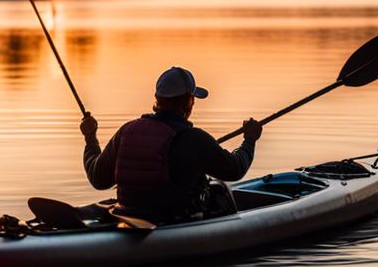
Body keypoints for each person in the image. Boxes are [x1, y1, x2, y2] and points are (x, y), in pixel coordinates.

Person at [79, 66, 262, 222]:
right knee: (219, 190)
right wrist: (249, 140)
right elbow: (235, 169)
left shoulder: (127, 131)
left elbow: (98, 178)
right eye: (193, 99)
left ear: (158, 99)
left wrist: (90, 137)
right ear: (187, 103)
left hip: (128, 215)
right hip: (173, 221)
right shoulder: (195, 139)